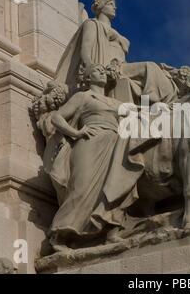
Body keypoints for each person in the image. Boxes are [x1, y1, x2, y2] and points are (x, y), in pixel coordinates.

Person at [47, 64, 138, 250]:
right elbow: (56, 117)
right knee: (81, 188)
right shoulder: (83, 96)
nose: (102, 73)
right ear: (87, 77)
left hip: (115, 147)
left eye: (104, 71)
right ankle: (59, 235)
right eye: (97, 70)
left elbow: (140, 114)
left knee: (114, 188)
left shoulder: (115, 103)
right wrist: (75, 133)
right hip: (89, 144)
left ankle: (111, 231)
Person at [55, 0, 178, 105]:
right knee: (149, 67)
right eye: (111, 5)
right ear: (101, 7)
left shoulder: (114, 32)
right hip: (108, 68)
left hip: (120, 67)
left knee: (157, 70)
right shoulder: (92, 24)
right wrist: (90, 66)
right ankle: (155, 99)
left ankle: (161, 99)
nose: (115, 8)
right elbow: (85, 48)